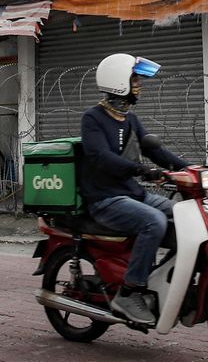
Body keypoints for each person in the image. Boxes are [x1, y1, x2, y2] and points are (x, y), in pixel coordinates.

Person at [78, 52, 188, 326]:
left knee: (185, 212)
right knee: (154, 221)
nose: (139, 84)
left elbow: (157, 152)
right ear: (118, 82)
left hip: (132, 194)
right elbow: (100, 157)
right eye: (134, 78)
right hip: (105, 199)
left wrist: (190, 170)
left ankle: (165, 278)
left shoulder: (131, 120)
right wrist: (140, 170)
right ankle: (130, 291)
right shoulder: (93, 118)